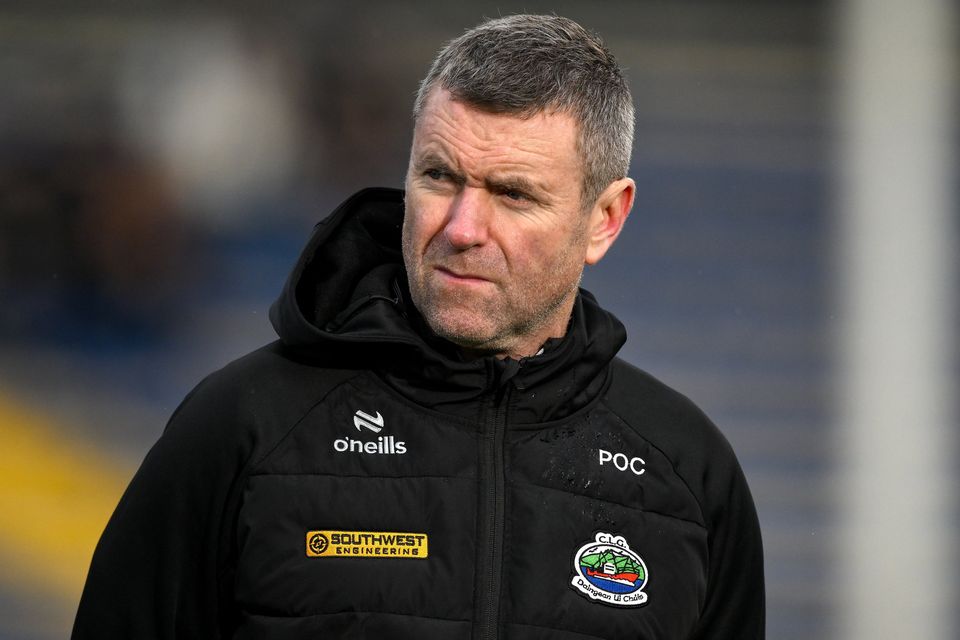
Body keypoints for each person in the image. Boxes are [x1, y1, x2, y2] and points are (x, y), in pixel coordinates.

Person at [73, 14, 764, 639]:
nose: (462, 228)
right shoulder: (241, 425)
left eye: (513, 194)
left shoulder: (689, 474)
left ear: (604, 220)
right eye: (439, 176)